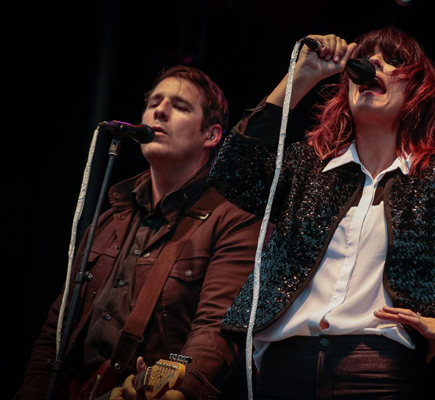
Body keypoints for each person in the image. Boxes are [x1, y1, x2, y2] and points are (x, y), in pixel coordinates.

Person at [208, 28, 435, 399]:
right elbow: (230, 173)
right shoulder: (307, 168)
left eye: (393, 61)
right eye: (367, 57)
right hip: (283, 370)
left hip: (382, 373)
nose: (373, 62)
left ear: (417, 92)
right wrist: (300, 78)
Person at [15, 66, 262, 400]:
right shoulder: (108, 221)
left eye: (180, 106)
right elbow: (54, 333)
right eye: (154, 103)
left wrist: (176, 389)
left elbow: (216, 331)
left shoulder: (234, 219)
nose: (160, 111)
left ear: (211, 135)